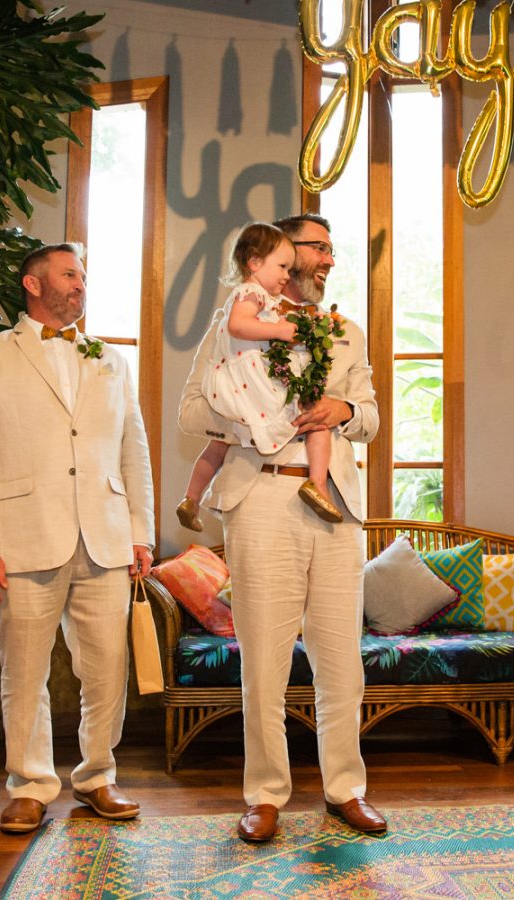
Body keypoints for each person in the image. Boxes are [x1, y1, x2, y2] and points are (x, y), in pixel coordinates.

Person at [177, 213, 385, 843]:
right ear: (282, 253)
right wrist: (254, 420)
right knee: (265, 660)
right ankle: (265, 794)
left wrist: (342, 409)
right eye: (319, 248)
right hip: (261, 494)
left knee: (341, 659)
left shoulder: (345, 331)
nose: (329, 260)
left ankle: (346, 789)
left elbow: (371, 417)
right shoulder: (233, 320)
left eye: (331, 250)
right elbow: (192, 411)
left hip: (333, 501)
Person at [0, 243, 154, 835]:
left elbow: (133, 450)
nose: (80, 285)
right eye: (68, 275)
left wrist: (140, 532)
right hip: (21, 538)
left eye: (83, 276)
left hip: (106, 538)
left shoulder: (111, 360)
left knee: (107, 668)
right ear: (33, 285)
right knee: (24, 672)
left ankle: (98, 776)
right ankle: (30, 784)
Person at [175, 222, 340, 533]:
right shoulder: (249, 293)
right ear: (254, 262)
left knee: (216, 448)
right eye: (282, 266)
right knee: (312, 417)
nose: (286, 275)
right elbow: (238, 325)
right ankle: (317, 482)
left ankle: (191, 498)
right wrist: (279, 330)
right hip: (245, 380)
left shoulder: (268, 301)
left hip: (244, 381)